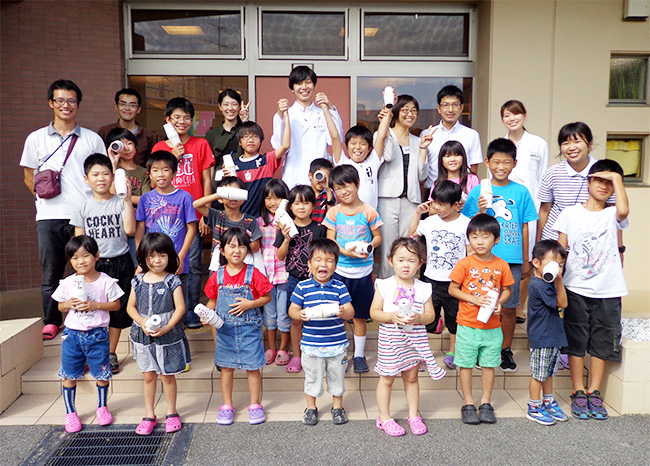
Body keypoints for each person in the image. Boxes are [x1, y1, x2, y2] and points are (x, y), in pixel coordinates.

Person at [20, 79, 107, 340]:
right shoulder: (36, 138)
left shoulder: (91, 139)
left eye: (71, 101)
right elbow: (28, 177)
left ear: (78, 105)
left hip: (84, 215)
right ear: (51, 103)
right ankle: (52, 320)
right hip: (49, 217)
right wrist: (43, 200)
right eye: (60, 100)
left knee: (89, 266)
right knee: (51, 271)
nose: (65, 105)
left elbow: (102, 173)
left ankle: (93, 314)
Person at [554, 159, 629, 421]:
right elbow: (560, 249)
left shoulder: (613, 214)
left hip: (608, 289)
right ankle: (578, 390)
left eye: (610, 182)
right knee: (575, 342)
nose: (604, 186)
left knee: (602, 342)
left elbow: (623, 210)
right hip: (575, 287)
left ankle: (594, 391)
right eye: (599, 180)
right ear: (588, 182)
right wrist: (557, 280)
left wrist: (616, 177)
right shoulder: (570, 213)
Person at [462, 138, 538, 372]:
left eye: (506, 162)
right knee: (481, 302)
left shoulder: (521, 191)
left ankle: (505, 349)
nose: (501, 167)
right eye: (496, 162)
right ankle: (480, 347)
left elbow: (525, 226)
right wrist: (480, 209)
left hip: (512, 258)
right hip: (482, 258)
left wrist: (526, 259)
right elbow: (469, 225)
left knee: (509, 307)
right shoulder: (478, 191)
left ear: (515, 163)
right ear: (487, 162)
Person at [370, 237, 446, 437]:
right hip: (390, 340)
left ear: (420, 263)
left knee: (411, 378)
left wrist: (419, 317)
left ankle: (413, 415)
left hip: (415, 341)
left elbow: (431, 316)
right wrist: (390, 316)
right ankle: (384, 417)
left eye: (411, 261)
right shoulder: (384, 285)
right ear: (390, 261)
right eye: (401, 260)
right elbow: (374, 312)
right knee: (386, 378)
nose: (406, 265)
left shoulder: (424, 288)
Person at [151, 97, 214, 329]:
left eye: (187, 117)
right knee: (163, 264)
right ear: (167, 120)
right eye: (177, 117)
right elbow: (154, 183)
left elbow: (206, 181)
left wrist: (205, 214)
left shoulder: (201, 144)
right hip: (165, 216)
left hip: (193, 215)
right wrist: (173, 157)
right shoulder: (159, 148)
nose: (182, 121)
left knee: (193, 265)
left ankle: (191, 313)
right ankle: (168, 312)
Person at [70, 154, 136, 374]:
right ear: (86, 179)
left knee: (117, 310)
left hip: (120, 262)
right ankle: (91, 352)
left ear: (113, 177)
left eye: (106, 174)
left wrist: (127, 199)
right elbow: (79, 242)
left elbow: (130, 230)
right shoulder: (82, 206)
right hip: (94, 266)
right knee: (93, 309)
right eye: (95, 174)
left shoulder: (120, 203)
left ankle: (110, 352)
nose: (101, 178)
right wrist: (81, 268)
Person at [51, 235, 123, 433]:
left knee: (101, 374)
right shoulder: (68, 283)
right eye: (74, 257)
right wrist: (68, 303)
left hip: (97, 335)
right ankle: (70, 412)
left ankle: (102, 407)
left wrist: (95, 305)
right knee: (69, 375)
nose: (80, 261)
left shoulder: (106, 281)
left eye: (85, 255)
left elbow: (116, 304)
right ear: (70, 261)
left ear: (96, 256)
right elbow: (60, 306)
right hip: (72, 336)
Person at [448, 214, 515, 425]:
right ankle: (468, 402)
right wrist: (474, 299)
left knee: (489, 365)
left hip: (493, 326)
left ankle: (486, 402)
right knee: (465, 365)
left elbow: (507, 290)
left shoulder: (502, 265)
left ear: (496, 239)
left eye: (485, 237)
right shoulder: (464, 263)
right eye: (474, 237)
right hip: (467, 324)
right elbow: (452, 289)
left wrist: (500, 302)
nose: (479, 241)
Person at [203, 228, 273, 426]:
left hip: (249, 330)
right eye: (231, 246)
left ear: (247, 250)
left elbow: (267, 297)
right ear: (222, 250)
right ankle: (227, 405)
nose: (237, 250)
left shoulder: (254, 273)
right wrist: (206, 315)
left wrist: (251, 304)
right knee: (226, 368)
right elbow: (212, 301)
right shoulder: (217, 276)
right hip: (225, 332)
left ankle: (255, 404)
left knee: (253, 368)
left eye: (242, 246)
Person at [127, 233, 190, 435]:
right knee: (148, 376)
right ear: (144, 257)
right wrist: (142, 322)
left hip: (168, 335)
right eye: (152, 256)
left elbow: (180, 308)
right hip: (143, 335)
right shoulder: (137, 281)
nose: (157, 260)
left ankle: (172, 412)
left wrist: (167, 327)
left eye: (162, 255)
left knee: (167, 376)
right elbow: (130, 307)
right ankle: (149, 414)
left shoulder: (172, 280)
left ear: (170, 256)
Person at [323, 165, 383, 373]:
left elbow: (378, 237)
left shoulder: (369, 211)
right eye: (337, 188)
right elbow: (331, 240)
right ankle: (339, 354)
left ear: (357, 184)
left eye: (346, 185)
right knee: (338, 313)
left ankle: (358, 355)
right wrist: (345, 253)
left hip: (363, 272)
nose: (343, 191)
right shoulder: (333, 212)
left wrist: (369, 247)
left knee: (359, 316)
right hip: (340, 271)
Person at [288, 238, 355, 426]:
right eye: (318, 260)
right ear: (309, 264)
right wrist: (299, 314)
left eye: (329, 261)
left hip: (336, 345)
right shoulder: (302, 287)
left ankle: (337, 407)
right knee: (312, 378)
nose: (323, 264)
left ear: (335, 266)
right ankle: (311, 408)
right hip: (311, 345)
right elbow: (292, 310)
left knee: (337, 377)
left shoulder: (340, 287)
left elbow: (351, 312)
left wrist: (343, 312)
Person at [408, 181, 471, 369]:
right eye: (435, 202)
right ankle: (422, 355)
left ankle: (452, 352)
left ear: (455, 205)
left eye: (442, 204)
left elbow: (470, 253)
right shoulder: (430, 222)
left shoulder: (466, 223)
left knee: (454, 319)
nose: (437, 207)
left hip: (455, 282)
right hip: (430, 279)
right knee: (426, 318)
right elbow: (412, 233)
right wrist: (418, 213)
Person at [500, 100, 549, 324]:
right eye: (507, 115)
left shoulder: (538, 143)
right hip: (506, 207)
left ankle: (519, 305)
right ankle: (505, 303)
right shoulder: (501, 144)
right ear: (502, 120)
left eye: (516, 114)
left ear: (524, 115)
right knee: (508, 254)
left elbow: (542, 178)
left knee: (528, 256)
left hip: (531, 205)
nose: (512, 119)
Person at [135, 152, 197, 325]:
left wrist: (181, 257)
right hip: (152, 261)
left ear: (174, 173)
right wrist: (141, 257)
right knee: (153, 304)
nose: (160, 174)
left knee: (178, 306)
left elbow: (191, 228)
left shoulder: (184, 197)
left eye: (165, 170)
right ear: (149, 174)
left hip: (176, 261)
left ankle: (177, 334)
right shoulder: (145, 199)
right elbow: (140, 229)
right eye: (155, 170)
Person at [274, 185, 328, 373]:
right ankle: (296, 356)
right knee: (296, 319)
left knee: (317, 318)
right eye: (297, 203)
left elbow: (323, 256)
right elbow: (280, 256)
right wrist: (286, 239)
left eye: (305, 203)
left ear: (313, 206)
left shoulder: (320, 229)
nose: (301, 207)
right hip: (294, 281)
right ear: (291, 207)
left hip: (316, 282)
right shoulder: (285, 227)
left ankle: (318, 354)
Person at [376, 94, 429, 279]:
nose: (410, 114)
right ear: (396, 113)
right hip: (387, 199)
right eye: (405, 110)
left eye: (414, 111)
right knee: (388, 250)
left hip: (411, 200)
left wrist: (423, 148)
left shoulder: (418, 141)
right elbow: (388, 155)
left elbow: (422, 175)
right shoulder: (382, 134)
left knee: (411, 248)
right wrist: (387, 128)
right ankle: (386, 291)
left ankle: (411, 290)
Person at [271, 65, 343, 188]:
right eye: (299, 83)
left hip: (319, 178)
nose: (304, 87)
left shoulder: (323, 113)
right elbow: (278, 145)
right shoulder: (286, 114)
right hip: (293, 177)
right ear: (292, 88)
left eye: (308, 82)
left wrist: (329, 107)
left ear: (314, 86)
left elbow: (336, 139)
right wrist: (281, 116)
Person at [525, 240, 569, 425]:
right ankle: (534, 406)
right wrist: (559, 281)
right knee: (538, 374)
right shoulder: (539, 285)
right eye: (552, 264)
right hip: (542, 337)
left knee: (548, 373)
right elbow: (563, 303)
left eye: (560, 265)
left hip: (553, 336)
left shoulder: (547, 282)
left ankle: (548, 401)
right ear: (536, 263)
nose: (557, 268)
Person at [193, 177, 262, 277]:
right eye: (228, 194)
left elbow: (256, 247)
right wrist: (218, 194)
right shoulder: (217, 216)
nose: (232, 197)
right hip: (218, 270)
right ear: (220, 199)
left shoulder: (250, 221)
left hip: (242, 272)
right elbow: (196, 204)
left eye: (236, 193)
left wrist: (233, 246)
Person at [256, 179, 292, 366]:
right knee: (269, 315)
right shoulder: (259, 223)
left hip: (284, 275)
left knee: (283, 314)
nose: (272, 202)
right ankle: (271, 347)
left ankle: (284, 348)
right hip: (266, 277)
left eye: (277, 198)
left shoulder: (289, 222)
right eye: (268, 198)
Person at [228, 112, 290, 218]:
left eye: (255, 136)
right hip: (241, 219)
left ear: (261, 141)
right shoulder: (232, 165)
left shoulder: (267, 160)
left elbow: (285, 146)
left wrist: (286, 117)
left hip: (264, 219)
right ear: (240, 142)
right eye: (245, 137)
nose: (250, 140)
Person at [105, 128, 151, 267]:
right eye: (121, 144)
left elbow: (146, 200)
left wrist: (125, 197)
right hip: (117, 231)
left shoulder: (143, 172)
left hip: (138, 229)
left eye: (129, 143)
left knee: (139, 267)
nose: (126, 148)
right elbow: (111, 196)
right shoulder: (110, 172)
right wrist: (113, 164)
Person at [423, 84, 483, 191]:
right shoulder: (427, 135)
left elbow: (473, 169)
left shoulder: (471, 135)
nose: (450, 109)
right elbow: (422, 169)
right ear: (439, 108)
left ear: (461, 108)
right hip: (434, 191)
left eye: (455, 105)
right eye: (446, 105)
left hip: (462, 192)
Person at [334, 106, 393, 210]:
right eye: (353, 143)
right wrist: (325, 108)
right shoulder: (343, 163)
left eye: (363, 144)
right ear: (347, 146)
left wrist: (388, 108)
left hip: (371, 214)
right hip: (350, 214)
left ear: (369, 148)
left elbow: (381, 136)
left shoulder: (373, 162)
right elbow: (334, 137)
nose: (357, 147)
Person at [98, 88, 155, 167]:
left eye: (132, 105)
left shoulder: (147, 135)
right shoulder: (105, 131)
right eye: (123, 104)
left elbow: (151, 162)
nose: (127, 108)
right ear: (116, 107)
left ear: (138, 109)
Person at [205, 88, 250, 171]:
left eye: (234, 104)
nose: (230, 108)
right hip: (220, 177)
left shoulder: (245, 130)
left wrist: (245, 122)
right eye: (226, 104)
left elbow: (253, 151)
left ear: (239, 106)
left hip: (243, 176)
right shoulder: (212, 135)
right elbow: (208, 164)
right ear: (220, 106)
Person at [308, 158, 335, 224]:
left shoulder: (329, 195)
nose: (321, 180)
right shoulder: (305, 193)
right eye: (319, 176)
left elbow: (332, 213)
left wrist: (327, 188)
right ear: (310, 175)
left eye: (326, 177)